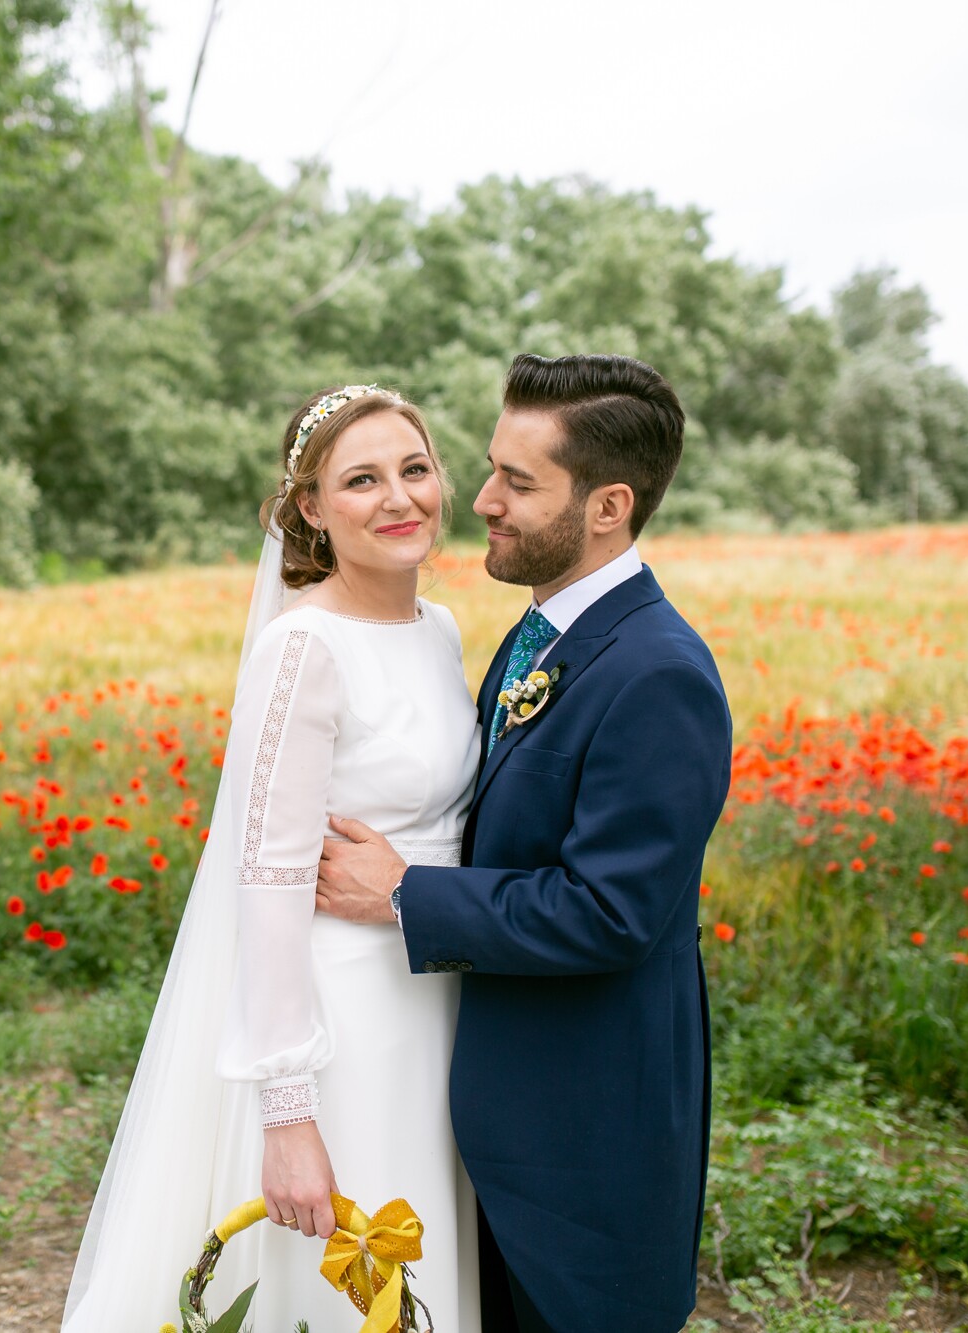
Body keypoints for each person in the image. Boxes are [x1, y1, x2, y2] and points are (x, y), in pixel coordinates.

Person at [316, 353, 732, 1333]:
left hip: (583, 1136)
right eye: (492, 467)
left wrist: (405, 893)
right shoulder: (534, 632)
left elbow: (609, 912)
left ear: (606, 505)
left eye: (518, 481)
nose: (483, 499)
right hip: (492, 1114)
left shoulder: (657, 673)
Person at [63, 385, 482, 1330]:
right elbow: (268, 882)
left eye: (414, 469)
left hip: (437, 1001)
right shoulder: (303, 648)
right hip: (343, 1021)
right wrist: (288, 1115)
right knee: (338, 1277)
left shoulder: (443, 629)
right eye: (361, 479)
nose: (398, 498)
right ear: (311, 509)